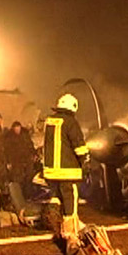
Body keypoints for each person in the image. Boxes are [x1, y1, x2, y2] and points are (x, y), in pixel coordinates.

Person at [43, 93, 91, 239]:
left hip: (51, 170)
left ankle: (53, 219)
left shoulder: (49, 121)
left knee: (56, 196)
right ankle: (70, 230)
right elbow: (78, 145)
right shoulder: (70, 122)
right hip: (67, 170)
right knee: (71, 198)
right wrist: (85, 159)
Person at [4, 121, 36, 198]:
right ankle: (19, 196)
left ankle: (28, 195)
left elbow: (30, 145)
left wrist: (34, 154)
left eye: (18, 128)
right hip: (16, 161)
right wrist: (8, 161)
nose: (17, 130)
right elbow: (7, 150)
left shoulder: (25, 135)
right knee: (18, 179)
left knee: (29, 178)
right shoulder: (9, 137)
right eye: (16, 129)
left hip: (27, 159)